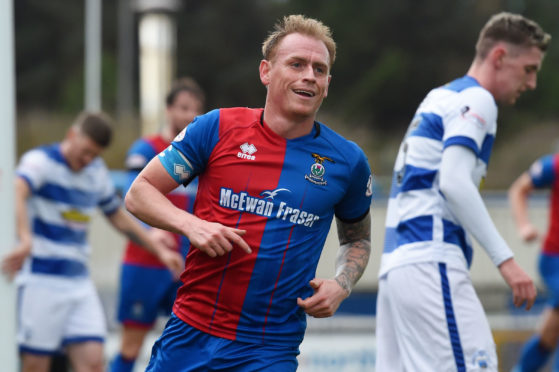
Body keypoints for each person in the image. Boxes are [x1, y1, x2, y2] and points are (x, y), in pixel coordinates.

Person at [124, 14, 373, 372]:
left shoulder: (347, 161)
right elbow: (139, 192)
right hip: (191, 333)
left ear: (328, 83)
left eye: (320, 69)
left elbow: (358, 240)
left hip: (269, 349)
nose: (309, 76)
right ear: (266, 72)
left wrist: (342, 284)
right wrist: (191, 225)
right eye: (297, 64)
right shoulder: (217, 127)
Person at [375, 12, 550, 371]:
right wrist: (507, 261)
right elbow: (453, 183)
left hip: (397, 266)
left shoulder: (440, 97)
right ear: (499, 57)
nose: (531, 83)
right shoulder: (477, 99)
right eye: (529, 69)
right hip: (430, 259)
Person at [1, 112, 184, 372]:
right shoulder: (40, 162)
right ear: (72, 135)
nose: (87, 159)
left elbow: (118, 217)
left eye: (94, 155)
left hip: (78, 283)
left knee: (94, 363)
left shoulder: (95, 172)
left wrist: (159, 250)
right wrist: (25, 238)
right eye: (85, 151)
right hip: (40, 281)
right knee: (35, 365)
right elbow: (16, 188)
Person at [109, 77, 205, 372]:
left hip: (187, 266)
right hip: (145, 263)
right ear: (168, 109)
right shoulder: (146, 147)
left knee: (187, 349)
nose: (190, 116)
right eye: (183, 107)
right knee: (131, 347)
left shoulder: (203, 155)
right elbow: (132, 195)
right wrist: (155, 230)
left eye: (196, 110)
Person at [509, 153, 559, 371]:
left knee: (551, 332)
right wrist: (524, 226)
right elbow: (518, 189)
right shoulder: (555, 166)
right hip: (555, 260)